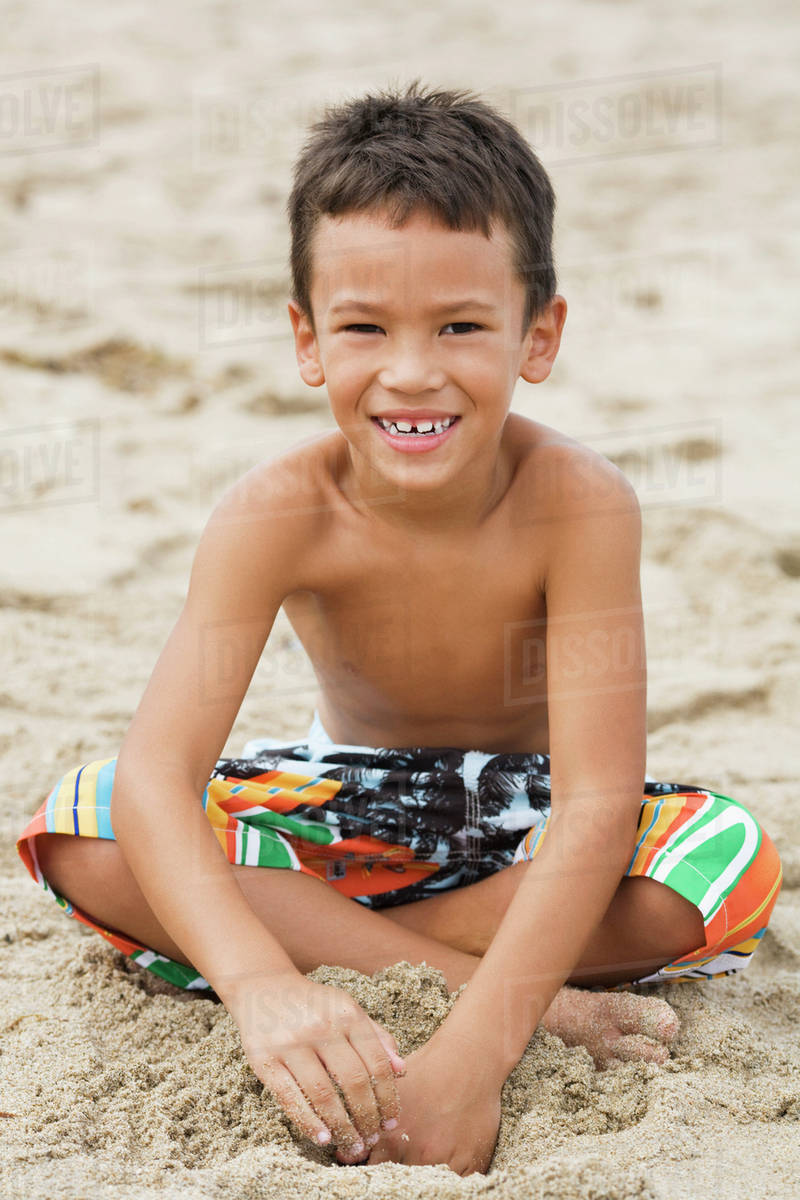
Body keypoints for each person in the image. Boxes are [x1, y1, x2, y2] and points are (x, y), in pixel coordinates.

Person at [16, 80, 782, 1177]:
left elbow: (601, 801)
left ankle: (432, 972)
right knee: (83, 818)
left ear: (538, 334)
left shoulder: (579, 501)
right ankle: (520, 988)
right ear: (306, 339)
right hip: (351, 813)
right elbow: (154, 776)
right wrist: (264, 986)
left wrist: (471, 1059)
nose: (411, 371)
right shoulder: (273, 510)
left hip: (528, 823)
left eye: (460, 326)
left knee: (721, 861)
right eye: (365, 326)